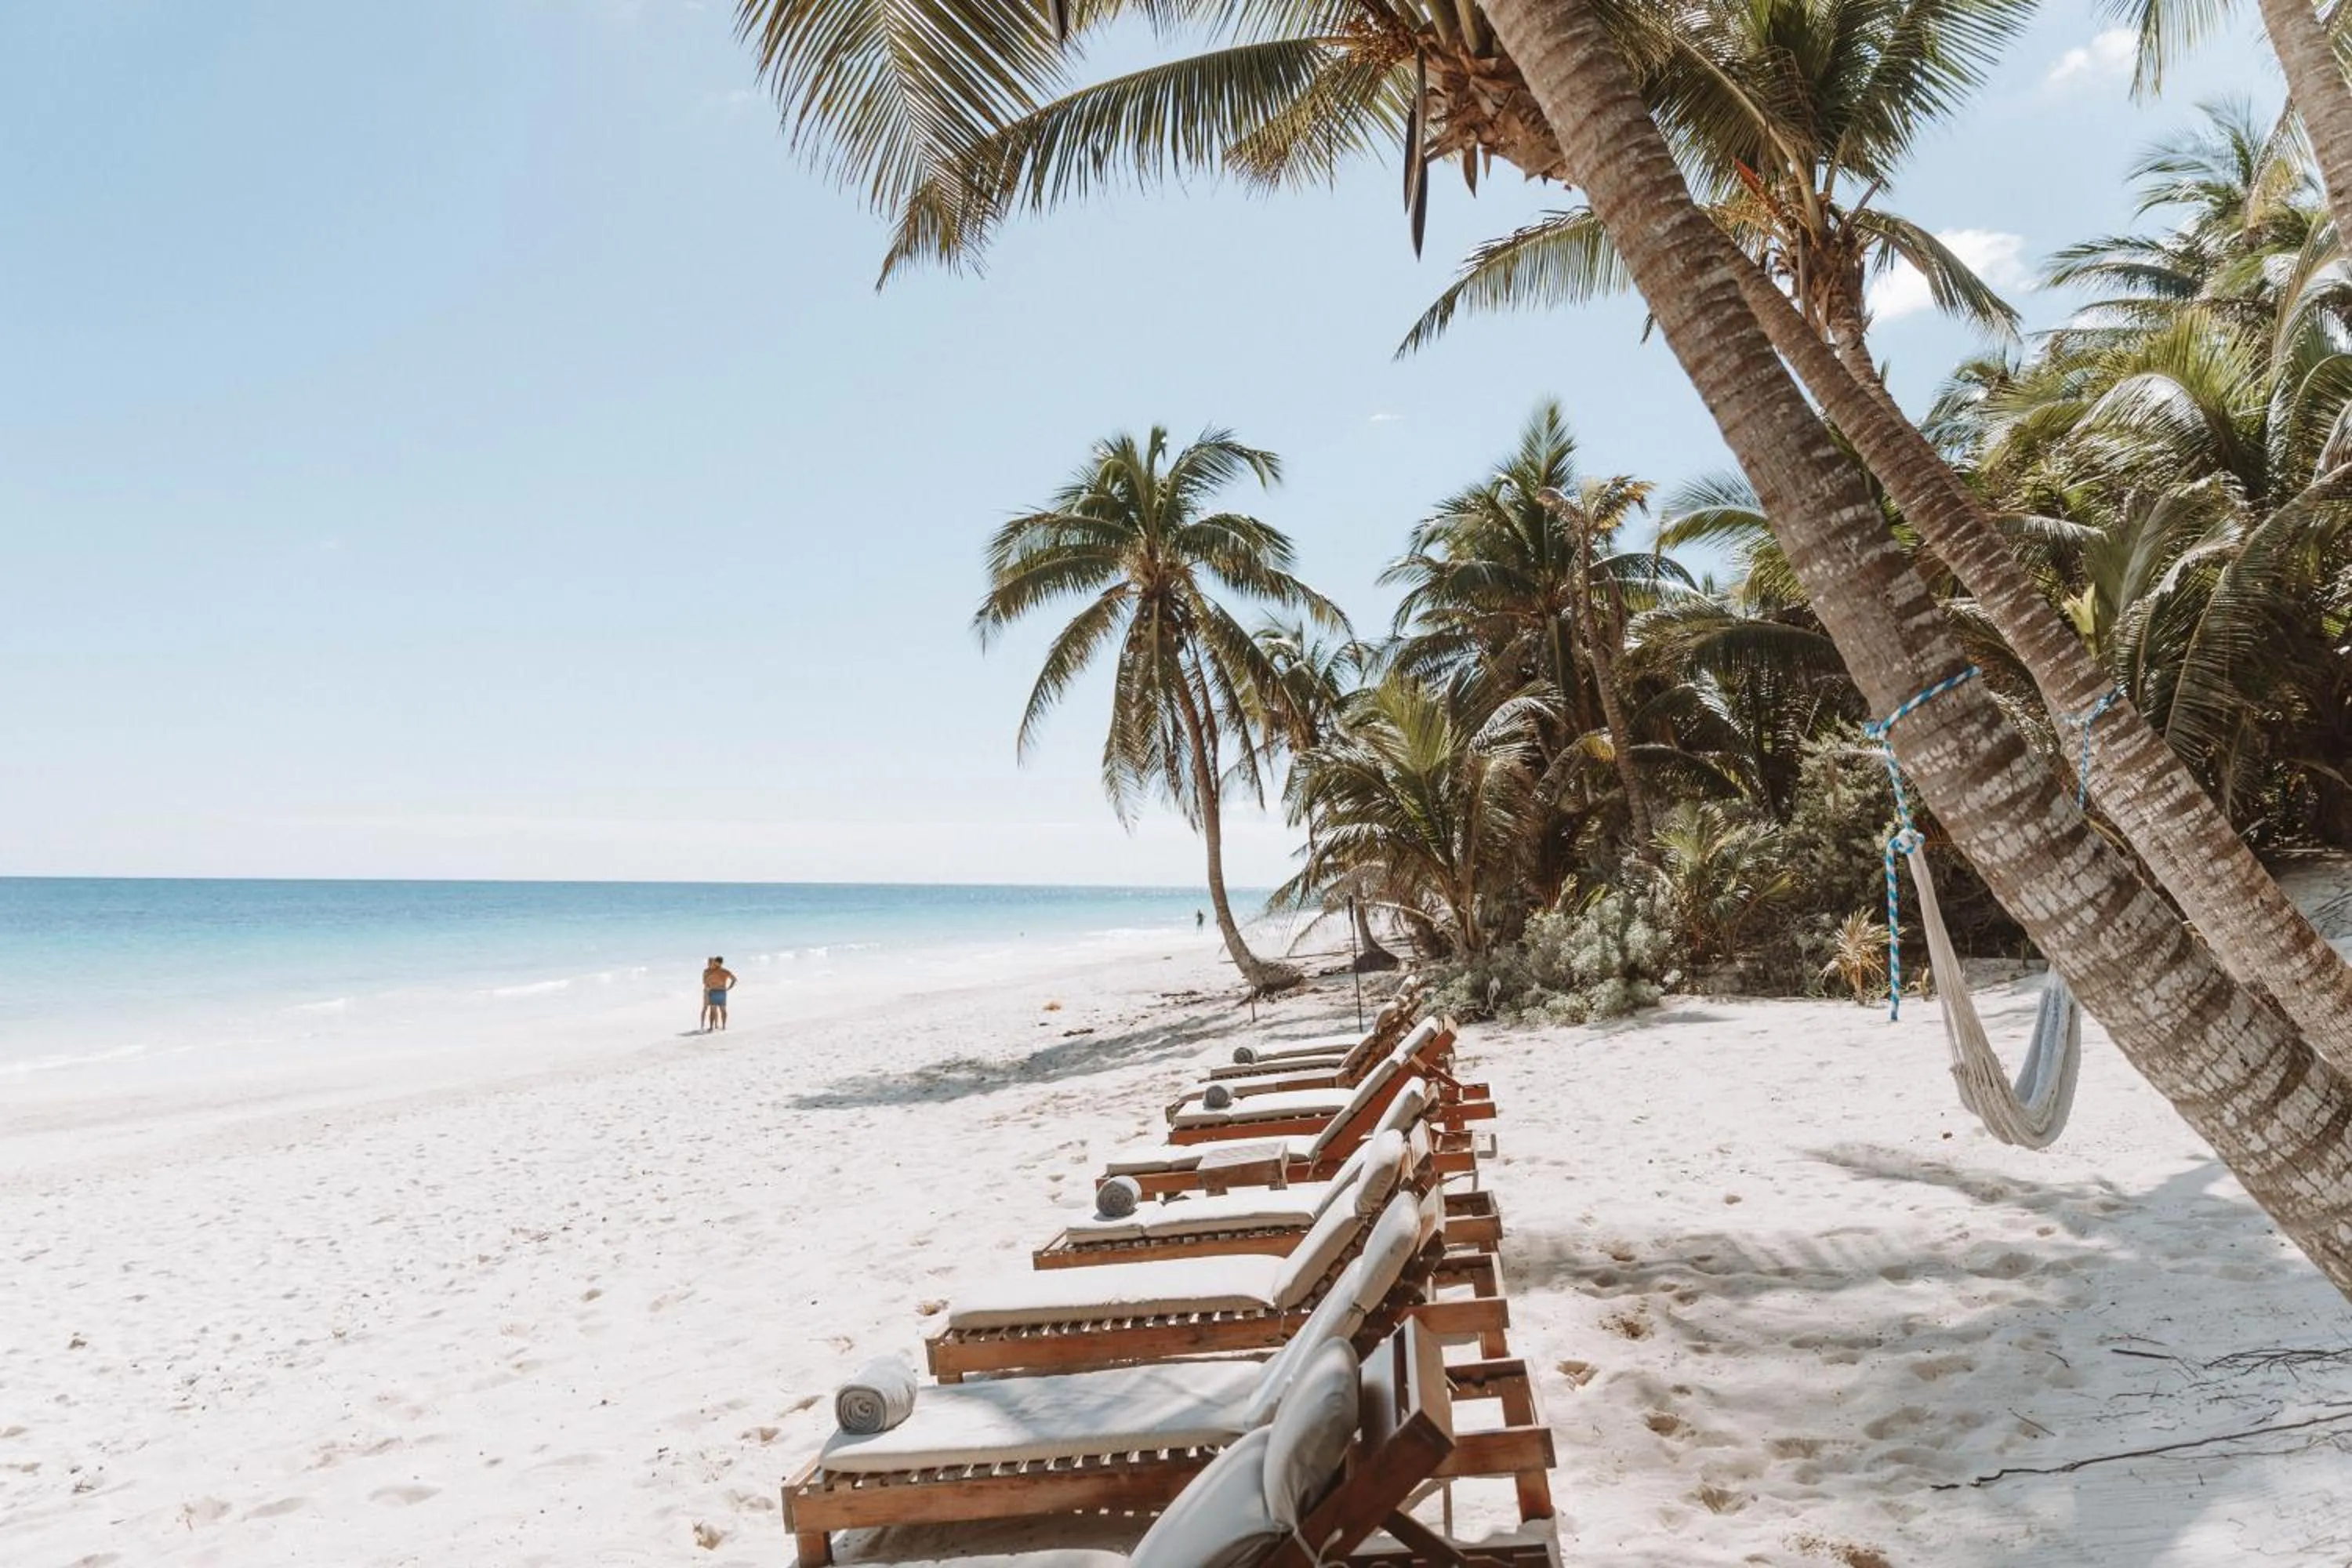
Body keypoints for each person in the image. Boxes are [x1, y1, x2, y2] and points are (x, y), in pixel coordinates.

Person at [701, 956, 736, 1031]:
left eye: (715, 962)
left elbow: (734, 979)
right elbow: (734, 979)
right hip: (719, 991)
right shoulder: (724, 971)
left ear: (719, 963)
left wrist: (729, 988)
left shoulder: (718, 971)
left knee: (719, 1010)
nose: (714, 964)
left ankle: (719, 1026)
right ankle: (718, 1027)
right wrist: (729, 988)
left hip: (717, 992)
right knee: (717, 1010)